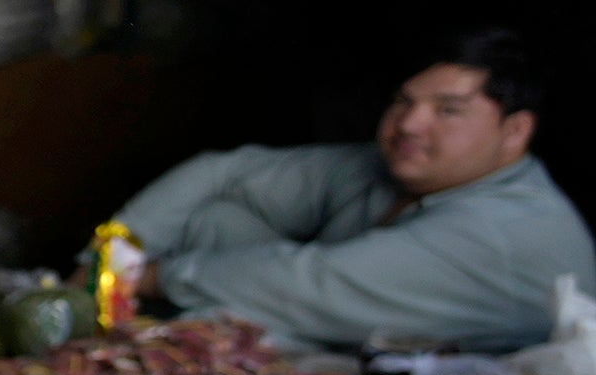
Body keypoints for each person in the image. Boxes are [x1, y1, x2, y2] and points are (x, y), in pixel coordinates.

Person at [113, 29, 596, 355]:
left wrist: (143, 278)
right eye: (403, 102)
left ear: (515, 132)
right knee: (216, 216)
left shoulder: (509, 230)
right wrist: (109, 254)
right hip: (338, 331)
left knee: (213, 320)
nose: (409, 124)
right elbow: (227, 171)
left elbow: (312, 285)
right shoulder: (393, 171)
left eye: (448, 110)